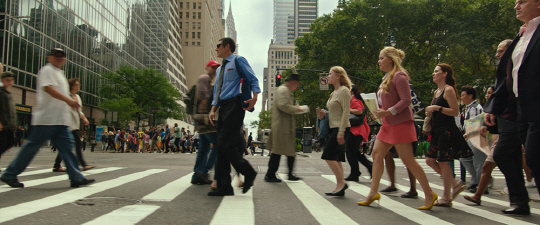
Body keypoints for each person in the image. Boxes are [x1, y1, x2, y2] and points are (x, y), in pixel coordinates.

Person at [0, 48, 94, 188]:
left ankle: (76, 177)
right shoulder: (47, 70)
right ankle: (10, 173)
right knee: (31, 148)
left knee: (67, 149)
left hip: (60, 121)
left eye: (62, 56)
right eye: (56, 55)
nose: (60, 58)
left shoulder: (60, 74)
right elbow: (48, 89)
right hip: (47, 119)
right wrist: (68, 101)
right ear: (49, 57)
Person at [358, 47, 436, 209]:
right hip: (387, 125)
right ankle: (373, 192)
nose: (378, 61)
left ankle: (429, 194)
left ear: (390, 59)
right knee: (377, 154)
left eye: (381, 58)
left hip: (400, 124)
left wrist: (387, 111)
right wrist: (378, 111)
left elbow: (406, 100)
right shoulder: (386, 77)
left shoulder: (399, 76)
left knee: (409, 161)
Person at [483, 1, 540, 213]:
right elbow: (509, 77)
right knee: (509, 154)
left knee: (534, 155)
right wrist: (493, 108)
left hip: (534, 106)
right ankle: (519, 201)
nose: (516, 6)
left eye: (522, 1)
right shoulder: (523, 35)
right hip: (517, 108)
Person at [208, 37, 259, 196]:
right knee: (221, 147)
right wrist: (213, 108)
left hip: (236, 105)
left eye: (218, 46)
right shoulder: (219, 69)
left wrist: (255, 97)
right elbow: (217, 90)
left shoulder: (238, 60)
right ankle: (225, 187)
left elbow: (253, 78)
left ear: (227, 47)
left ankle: (248, 172)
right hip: (223, 107)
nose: (216, 49)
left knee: (225, 145)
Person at [424, 63, 472, 207]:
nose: (433, 73)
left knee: (444, 163)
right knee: (430, 160)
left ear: (445, 74)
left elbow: (455, 111)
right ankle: (454, 184)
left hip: (447, 130)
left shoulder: (448, 89)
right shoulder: (436, 91)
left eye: (436, 71)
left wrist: (437, 107)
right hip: (437, 130)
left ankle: (446, 197)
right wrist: (430, 111)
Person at [316, 66, 351, 196]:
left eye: (330, 74)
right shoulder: (333, 93)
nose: (328, 76)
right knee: (336, 159)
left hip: (341, 128)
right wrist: (324, 114)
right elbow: (336, 111)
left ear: (338, 76)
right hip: (333, 127)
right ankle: (339, 187)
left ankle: (342, 183)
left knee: (328, 155)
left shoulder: (344, 91)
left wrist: (341, 132)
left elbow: (346, 112)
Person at [264, 72, 303, 182]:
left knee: (288, 151)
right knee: (278, 152)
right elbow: (283, 105)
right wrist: (296, 109)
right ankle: (270, 174)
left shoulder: (285, 90)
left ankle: (288, 174)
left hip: (284, 126)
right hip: (282, 126)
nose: (297, 87)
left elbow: (284, 105)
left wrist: (294, 108)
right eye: (297, 84)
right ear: (293, 82)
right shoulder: (283, 90)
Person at [52, 78, 95, 172]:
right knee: (78, 144)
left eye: (78, 85)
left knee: (65, 146)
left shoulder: (78, 97)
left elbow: (79, 111)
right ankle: (83, 164)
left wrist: (84, 118)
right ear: (71, 86)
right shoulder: (66, 96)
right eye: (76, 85)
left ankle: (56, 165)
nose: (78, 87)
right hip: (67, 124)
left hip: (74, 125)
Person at [192, 60, 220, 185]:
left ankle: (197, 175)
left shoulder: (208, 79)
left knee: (204, 147)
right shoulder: (204, 78)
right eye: (213, 67)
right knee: (218, 144)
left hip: (200, 116)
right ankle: (204, 170)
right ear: (207, 67)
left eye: (216, 68)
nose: (215, 70)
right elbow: (203, 95)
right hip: (203, 116)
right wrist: (209, 113)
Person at [460, 85, 486, 193]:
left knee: (478, 163)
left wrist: (467, 134)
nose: (461, 97)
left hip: (477, 138)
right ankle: (477, 181)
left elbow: (476, 125)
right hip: (471, 138)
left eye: (463, 95)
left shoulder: (475, 108)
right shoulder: (469, 107)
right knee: (464, 158)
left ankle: (481, 185)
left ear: (470, 96)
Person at [344, 84, 373, 182]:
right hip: (358, 129)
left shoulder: (354, 100)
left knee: (350, 151)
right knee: (355, 152)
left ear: (352, 92)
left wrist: (347, 110)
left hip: (356, 130)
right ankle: (368, 167)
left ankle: (355, 173)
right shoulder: (353, 100)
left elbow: (359, 111)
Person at [0, 71, 17, 165]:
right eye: (7, 80)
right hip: (3, 125)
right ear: (3, 80)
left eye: (11, 80)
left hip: (9, 125)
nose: (10, 82)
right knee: (2, 145)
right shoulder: (1, 93)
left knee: (10, 143)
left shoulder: (8, 93)